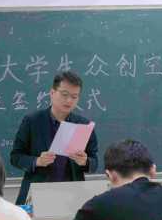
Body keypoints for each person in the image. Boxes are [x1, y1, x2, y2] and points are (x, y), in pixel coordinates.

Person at [10, 71, 99, 204]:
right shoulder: (32, 121)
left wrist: (85, 161)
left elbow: (94, 161)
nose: (69, 100)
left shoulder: (83, 125)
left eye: (74, 97)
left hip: (72, 196)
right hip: (37, 193)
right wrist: (37, 161)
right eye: (64, 94)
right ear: (52, 93)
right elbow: (15, 157)